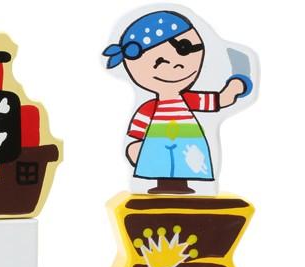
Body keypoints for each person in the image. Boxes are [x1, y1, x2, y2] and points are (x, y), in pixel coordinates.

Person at [103, 11, 247, 194]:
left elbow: (218, 101)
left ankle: (181, 185)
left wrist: (234, 89)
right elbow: (138, 128)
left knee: (186, 161)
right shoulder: (150, 108)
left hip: (188, 143)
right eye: (159, 62)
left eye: (185, 49)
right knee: (160, 162)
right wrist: (136, 146)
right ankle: (163, 185)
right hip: (157, 142)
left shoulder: (189, 100)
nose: (177, 66)